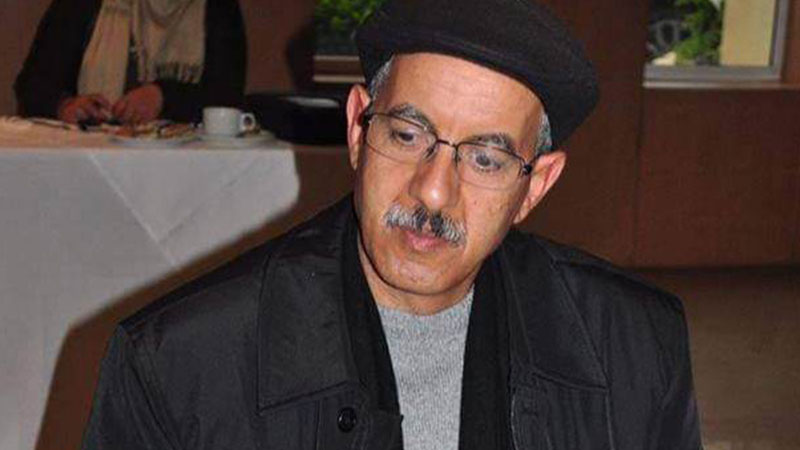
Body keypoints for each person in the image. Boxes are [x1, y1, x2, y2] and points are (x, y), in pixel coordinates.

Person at [81, 0, 703, 449]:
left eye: (485, 159)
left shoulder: (636, 348)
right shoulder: (177, 366)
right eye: (407, 135)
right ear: (358, 129)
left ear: (534, 186)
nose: (432, 189)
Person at [14, 0, 246, 124]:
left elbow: (228, 97)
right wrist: (64, 106)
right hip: (91, 156)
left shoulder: (217, 7)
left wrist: (164, 97)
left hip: (184, 165)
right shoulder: (82, 4)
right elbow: (32, 87)